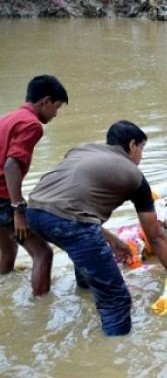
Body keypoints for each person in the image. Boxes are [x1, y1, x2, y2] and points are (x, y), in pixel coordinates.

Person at [25, 120, 167, 336]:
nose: (141, 156)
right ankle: (115, 353)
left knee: (83, 251)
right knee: (117, 299)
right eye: (142, 149)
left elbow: (71, 204)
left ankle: (84, 294)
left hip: (32, 214)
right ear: (133, 145)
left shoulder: (81, 150)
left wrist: (114, 241)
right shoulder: (135, 177)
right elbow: (155, 237)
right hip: (69, 223)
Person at [0, 75, 68, 296]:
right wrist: (18, 209)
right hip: (3, 199)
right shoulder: (32, 125)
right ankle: (40, 313)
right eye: (56, 107)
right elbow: (11, 166)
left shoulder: (8, 119)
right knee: (43, 254)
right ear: (46, 101)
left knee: (8, 252)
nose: (55, 114)